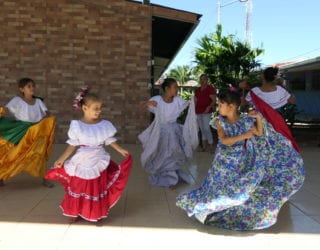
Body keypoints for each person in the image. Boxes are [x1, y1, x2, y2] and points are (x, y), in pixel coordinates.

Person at [176, 89, 304, 230]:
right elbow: (224, 140)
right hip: (222, 163)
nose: (218, 107)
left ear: (231, 106)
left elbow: (259, 133)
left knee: (234, 188)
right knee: (216, 187)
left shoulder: (245, 120)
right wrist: (244, 136)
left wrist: (259, 119)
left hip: (239, 161)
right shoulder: (219, 121)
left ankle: (225, 213)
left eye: (220, 105)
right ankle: (208, 210)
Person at [45, 87, 132, 222]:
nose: (99, 111)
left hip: (98, 159)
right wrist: (61, 159)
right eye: (95, 108)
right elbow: (72, 145)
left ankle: (95, 213)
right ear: (85, 108)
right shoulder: (77, 126)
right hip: (82, 159)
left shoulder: (104, 125)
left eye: (100, 107)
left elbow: (108, 139)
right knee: (79, 185)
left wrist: (119, 149)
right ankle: (75, 211)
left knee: (96, 187)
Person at [139, 78, 198, 188]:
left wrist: (193, 102)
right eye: (175, 87)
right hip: (161, 132)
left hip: (174, 131)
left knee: (172, 153)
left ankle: (172, 178)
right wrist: (147, 103)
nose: (177, 89)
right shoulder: (157, 100)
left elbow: (188, 104)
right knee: (162, 154)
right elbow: (141, 106)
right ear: (167, 89)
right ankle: (167, 176)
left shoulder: (178, 100)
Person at [0, 77, 56, 187]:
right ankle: (1, 176)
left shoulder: (38, 101)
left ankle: (45, 179)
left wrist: (50, 118)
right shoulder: (17, 100)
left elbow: (46, 112)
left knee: (39, 154)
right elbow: (6, 110)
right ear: (22, 89)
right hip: (21, 130)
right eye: (29, 86)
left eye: (33, 86)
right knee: (12, 153)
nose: (32, 88)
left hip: (36, 130)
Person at [244, 66, 299, 152]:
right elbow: (292, 101)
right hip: (276, 122)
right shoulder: (280, 90)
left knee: (258, 146)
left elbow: (244, 103)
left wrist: (242, 89)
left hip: (258, 123)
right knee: (277, 146)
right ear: (274, 78)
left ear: (262, 76)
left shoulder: (255, 91)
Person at [195, 74, 216, 152]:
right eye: (201, 79)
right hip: (198, 111)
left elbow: (214, 100)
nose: (202, 81)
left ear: (207, 80)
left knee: (206, 128)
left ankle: (211, 144)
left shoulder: (210, 89)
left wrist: (209, 107)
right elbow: (195, 101)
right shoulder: (197, 90)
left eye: (204, 79)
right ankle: (204, 147)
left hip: (207, 111)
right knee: (202, 129)